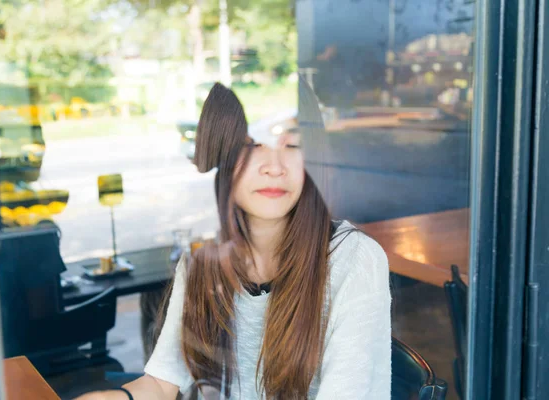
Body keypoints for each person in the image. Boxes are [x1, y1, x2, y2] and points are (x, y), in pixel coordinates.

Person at [76, 82, 391, 399]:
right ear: (219, 158)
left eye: (293, 146)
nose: (273, 167)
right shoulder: (204, 260)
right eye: (250, 146)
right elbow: (162, 382)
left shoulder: (353, 260)